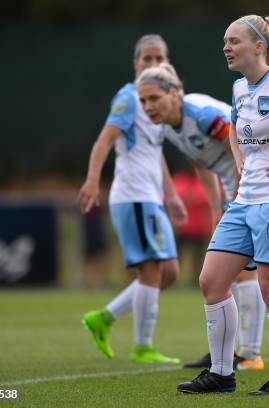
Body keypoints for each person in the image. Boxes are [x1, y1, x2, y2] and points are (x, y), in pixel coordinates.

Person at [176, 15, 269, 395]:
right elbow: (233, 129)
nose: (226, 47)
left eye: (234, 41)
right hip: (244, 202)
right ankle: (222, 374)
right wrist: (239, 157)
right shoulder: (238, 88)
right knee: (211, 280)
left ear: (259, 46)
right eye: (225, 42)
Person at [135, 63, 268, 371]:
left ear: (174, 94)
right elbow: (200, 162)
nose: (148, 106)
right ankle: (229, 351)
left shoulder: (202, 115)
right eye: (143, 102)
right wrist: (215, 209)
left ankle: (250, 354)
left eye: (154, 98)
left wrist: (239, 193)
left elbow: (242, 147)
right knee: (222, 271)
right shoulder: (168, 125)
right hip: (231, 188)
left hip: (253, 182)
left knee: (242, 270)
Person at [77, 34, 187, 364]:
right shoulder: (129, 99)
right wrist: (93, 181)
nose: (153, 64)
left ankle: (104, 317)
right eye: (147, 59)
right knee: (153, 272)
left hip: (151, 198)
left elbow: (156, 152)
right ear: (135, 63)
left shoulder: (158, 100)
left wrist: (170, 194)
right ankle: (142, 346)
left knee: (169, 273)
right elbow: (104, 141)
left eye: (159, 59)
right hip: (134, 197)